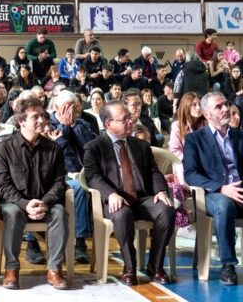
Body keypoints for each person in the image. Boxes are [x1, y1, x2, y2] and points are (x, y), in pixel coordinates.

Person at [84, 100, 175, 286]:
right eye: (124, 119)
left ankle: (155, 266)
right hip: (115, 199)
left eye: (129, 117)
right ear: (109, 124)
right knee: (122, 214)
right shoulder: (94, 147)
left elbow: (154, 171)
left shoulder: (140, 145)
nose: (130, 121)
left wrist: (160, 191)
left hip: (142, 198)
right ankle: (130, 267)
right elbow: (93, 177)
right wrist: (110, 194)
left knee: (166, 210)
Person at [0, 98, 69, 290]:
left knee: (60, 213)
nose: (42, 120)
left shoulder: (54, 148)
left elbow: (60, 182)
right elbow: (2, 185)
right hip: (15, 203)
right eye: (35, 117)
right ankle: (11, 269)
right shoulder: (4, 148)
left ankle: (54, 269)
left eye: (42, 116)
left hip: (45, 202)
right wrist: (24, 203)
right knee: (13, 213)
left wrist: (45, 202)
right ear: (21, 121)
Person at [183, 92, 243, 285]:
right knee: (224, 205)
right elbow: (190, 174)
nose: (226, 109)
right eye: (219, 106)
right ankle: (228, 266)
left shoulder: (240, 136)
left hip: (240, 191)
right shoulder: (194, 139)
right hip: (212, 195)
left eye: (226, 104)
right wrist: (221, 188)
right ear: (207, 114)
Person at [49, 90, 96, 264]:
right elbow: (58, 153)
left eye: (75, 107)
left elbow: (90, 146)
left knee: (85, 184)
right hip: (57, 175)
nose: (73, 111)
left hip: (82, 172)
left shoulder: (82, 123)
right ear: (56, 107)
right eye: (67, 107)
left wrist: (72, 127)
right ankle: (80, 242)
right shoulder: (48, 124)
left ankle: (82, 241)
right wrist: (63, 128)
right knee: (78, 188)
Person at [169, 92, 205, 162]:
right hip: (186, 162)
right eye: (194, 105)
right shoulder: (177, 125)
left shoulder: (207, 123)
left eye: (200, 104)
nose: (198, 108)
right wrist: (191, 161)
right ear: (186, 107)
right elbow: (174, 151)